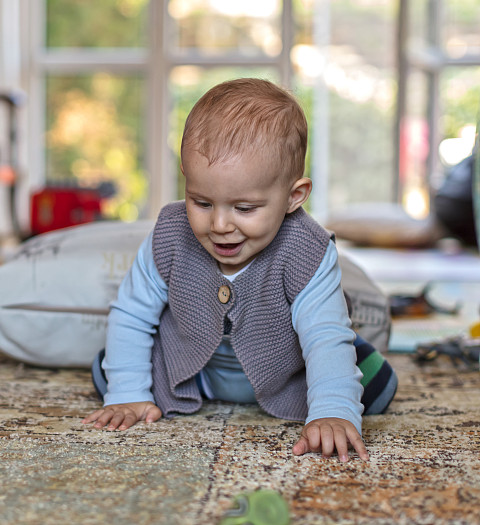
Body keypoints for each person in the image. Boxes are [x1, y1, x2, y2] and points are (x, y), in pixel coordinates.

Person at [82, 78, 397, 462]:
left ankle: (343, 386)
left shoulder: (307, 251)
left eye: (245, 209)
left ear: (293, 196)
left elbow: (324, 336)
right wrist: (129, 394)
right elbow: (131, 313)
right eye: (201, 202)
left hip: (288, 373)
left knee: (372, 386)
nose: (219, 224)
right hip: (192, 367)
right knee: (108, 370)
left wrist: (333, 411)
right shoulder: (169, 235)